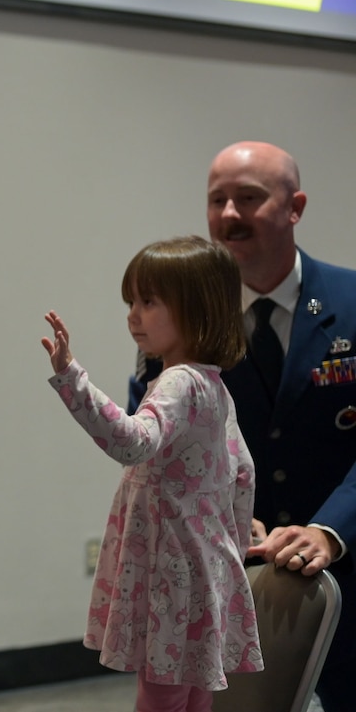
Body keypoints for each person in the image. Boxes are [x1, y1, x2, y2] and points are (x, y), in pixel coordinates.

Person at [129, 142, 356, 711]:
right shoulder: (179, 315)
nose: (230, 214)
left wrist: (331, 529)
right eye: (218, 200)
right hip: (226, 578)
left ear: (295, 206)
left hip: (349, 567)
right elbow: (150, 439)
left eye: (249, 198)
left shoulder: (352, 302)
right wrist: (220, 507)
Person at [43, 235, 262, 712]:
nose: (133, 315)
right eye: (132, 302)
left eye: (148, 301)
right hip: (204, 565)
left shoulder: (178, 382)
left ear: (196, 307)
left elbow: (132, 441)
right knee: (195, 690)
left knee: (160, 696)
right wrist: (235, 548)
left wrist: (72, 378)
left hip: (170, 569)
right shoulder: (214, 384)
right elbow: (242, 472)